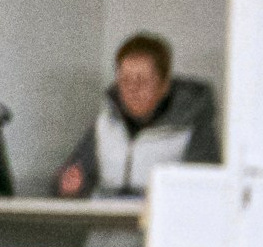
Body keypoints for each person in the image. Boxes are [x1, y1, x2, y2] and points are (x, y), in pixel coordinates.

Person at [55, 33, 222, 201]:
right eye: (125, 80)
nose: (132, 89)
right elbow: (69, 181)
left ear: (164, 85)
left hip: (162, 217)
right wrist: (70, 186)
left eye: (142, 81)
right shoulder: (104, 124)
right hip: (106, 218)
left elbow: (206, 191)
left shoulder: (193, 127)